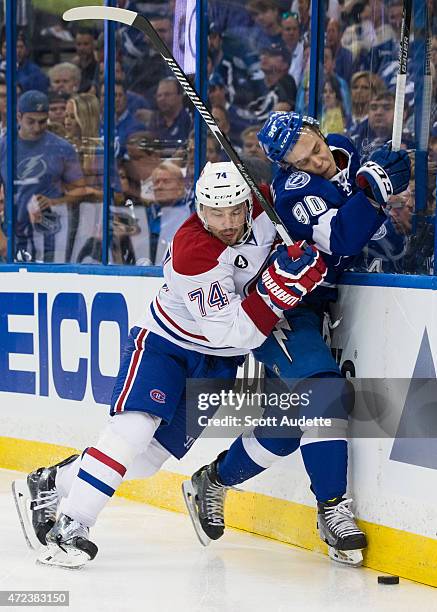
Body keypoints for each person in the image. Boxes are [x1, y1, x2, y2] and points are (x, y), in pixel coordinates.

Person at [12, 160, 327, 568]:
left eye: (235, 210)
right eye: (216, 212)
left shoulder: (265, 207)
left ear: (248, 201)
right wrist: (280, 288)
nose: (228, 222)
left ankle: (51, 481)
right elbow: (231, 333)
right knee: (132, 430)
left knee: (144, 462)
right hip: (167, 344)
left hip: (218, 366)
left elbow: (307, 218)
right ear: (200, 208)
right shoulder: (193, 251)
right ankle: (73, 524)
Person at [183, 111, 411, 566]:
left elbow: (376, 216)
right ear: (287, 167)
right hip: (285, 304)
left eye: (316, 147)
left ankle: (213, 480)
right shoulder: (293, 192)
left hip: (323, 300)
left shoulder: (342, 148)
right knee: (325, 391)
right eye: (303, 160)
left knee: (288, 429)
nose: (318, 161)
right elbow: (342, 237)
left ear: (320, 134)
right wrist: (372, 190)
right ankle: (332, 509)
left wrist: (390, 183)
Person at [0, 90, 86, 262]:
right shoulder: (3, 146)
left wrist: (55, 202)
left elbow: (80, 190)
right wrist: (1, 239)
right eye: (30, 122)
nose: (37, 128)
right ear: (19, 117)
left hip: (52, 239)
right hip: (12, 236)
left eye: (42, 122)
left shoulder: (62, 148)